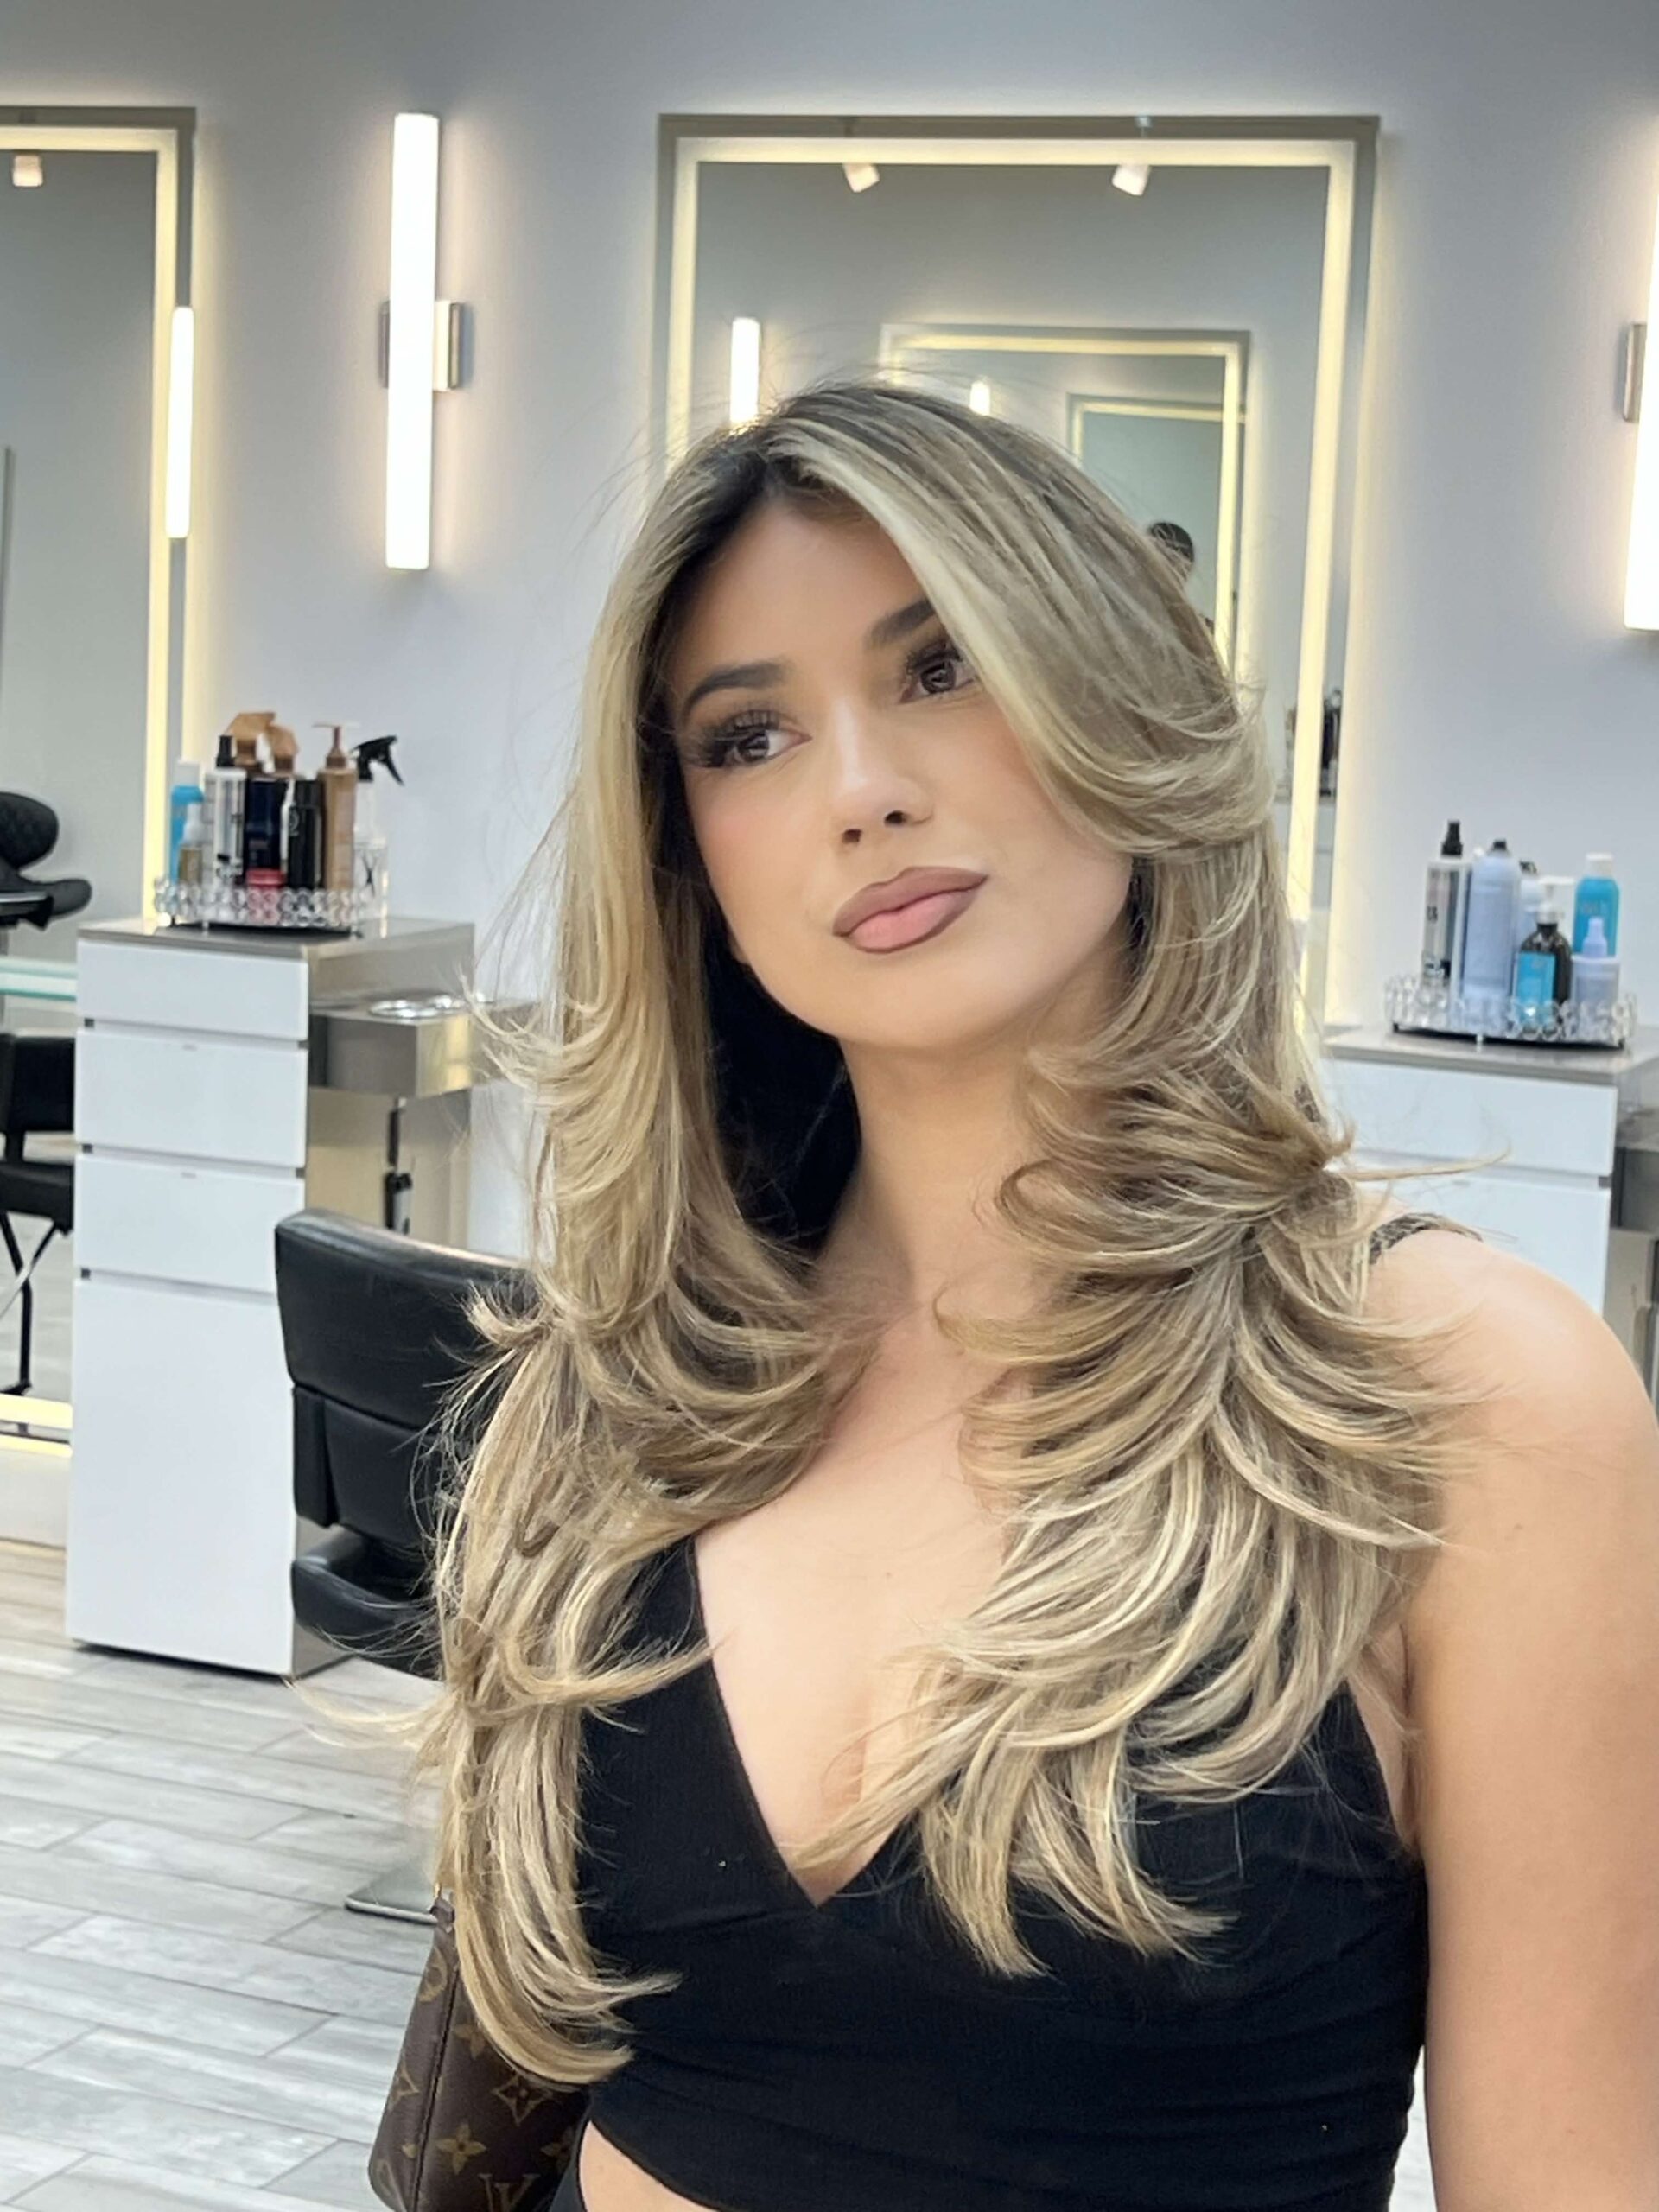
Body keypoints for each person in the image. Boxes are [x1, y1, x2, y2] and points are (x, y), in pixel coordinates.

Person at [410, 379, 1659, 2212]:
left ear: (1119, 700)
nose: (863, 790)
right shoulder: (610, 1400)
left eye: (943, 668)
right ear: (689, 851)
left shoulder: (1466, 1401)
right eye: (748, 736)